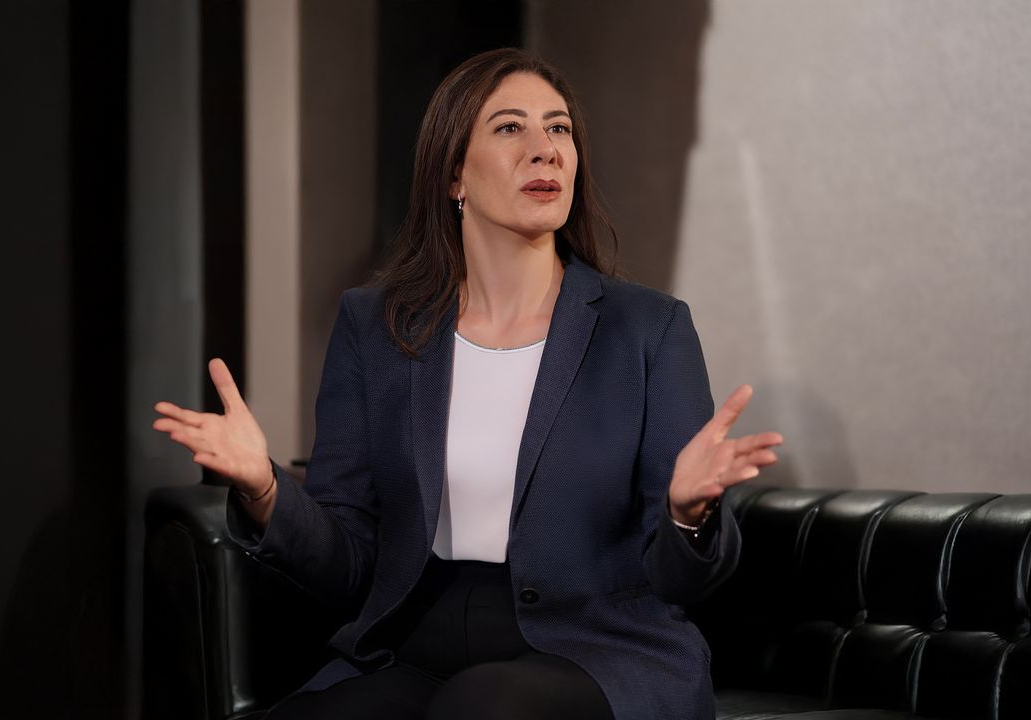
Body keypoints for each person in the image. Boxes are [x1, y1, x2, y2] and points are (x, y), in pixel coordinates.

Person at [152, 48, 783, 720]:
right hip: (416, 644)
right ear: (454, 172)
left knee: (483, 706)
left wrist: (688, 515)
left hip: (599, 649)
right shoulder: (375, 326)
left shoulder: (648, 328)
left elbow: (681, 579)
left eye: (559, 128)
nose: (545, 150)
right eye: (511, 128)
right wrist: (265, 489)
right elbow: (349, 563)